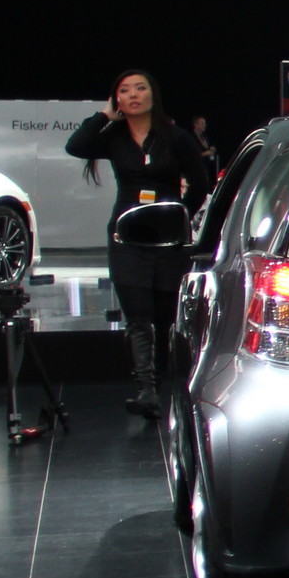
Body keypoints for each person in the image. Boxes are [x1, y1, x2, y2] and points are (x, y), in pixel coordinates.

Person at [65, 71, 211, 418]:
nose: (133, 95)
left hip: (168, 239)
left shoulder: (176, 137)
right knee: (137, 317)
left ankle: (162, 381)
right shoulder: (113, 135)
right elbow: (76, 146)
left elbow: (200, 184)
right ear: (117, 99)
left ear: (153, 95)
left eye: (140, 88)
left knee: (163, 317)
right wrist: (103, 116)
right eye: (124, 90)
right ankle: (145, 389)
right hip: (126, 237)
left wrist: (178, 216)